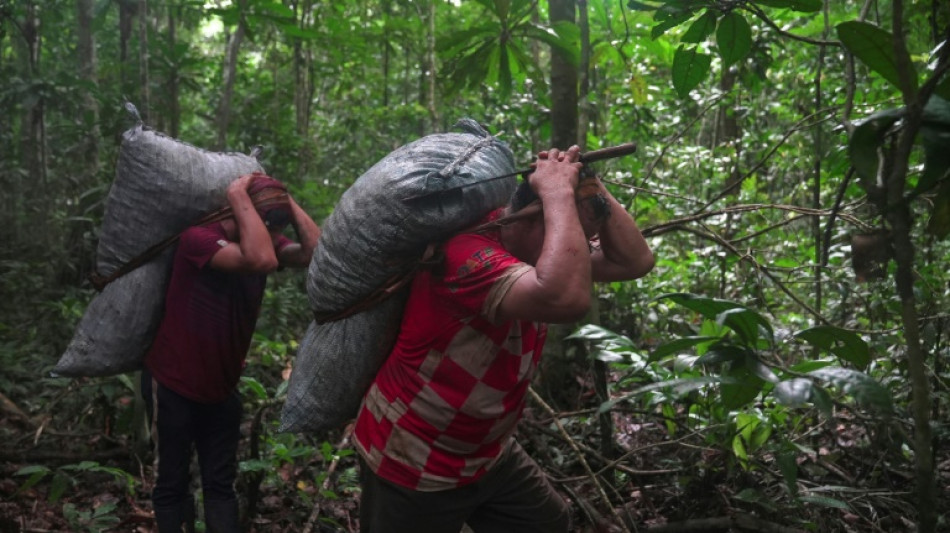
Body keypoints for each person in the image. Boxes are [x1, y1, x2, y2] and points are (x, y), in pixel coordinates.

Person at [353, 145, 654, 532]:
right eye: (574, 232)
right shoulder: (466, 253)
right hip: (413, 453)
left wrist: (585, 183)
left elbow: (635, 261)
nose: (580, 246)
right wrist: (559, 193)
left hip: (485, 453)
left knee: (546, 524)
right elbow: (566, 298)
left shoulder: (538, 246)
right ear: (530, 216)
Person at [141, 173, 320, 533]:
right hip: (174, 385)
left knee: (220, 484)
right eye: (266, 223)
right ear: (239, 212)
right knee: (172, 483)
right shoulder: (198, 239)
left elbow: (315, 252)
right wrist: (238, 191)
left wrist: (285, 201)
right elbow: (259, 261)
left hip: (221, 390)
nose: (272, 236)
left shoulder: (263, 243)